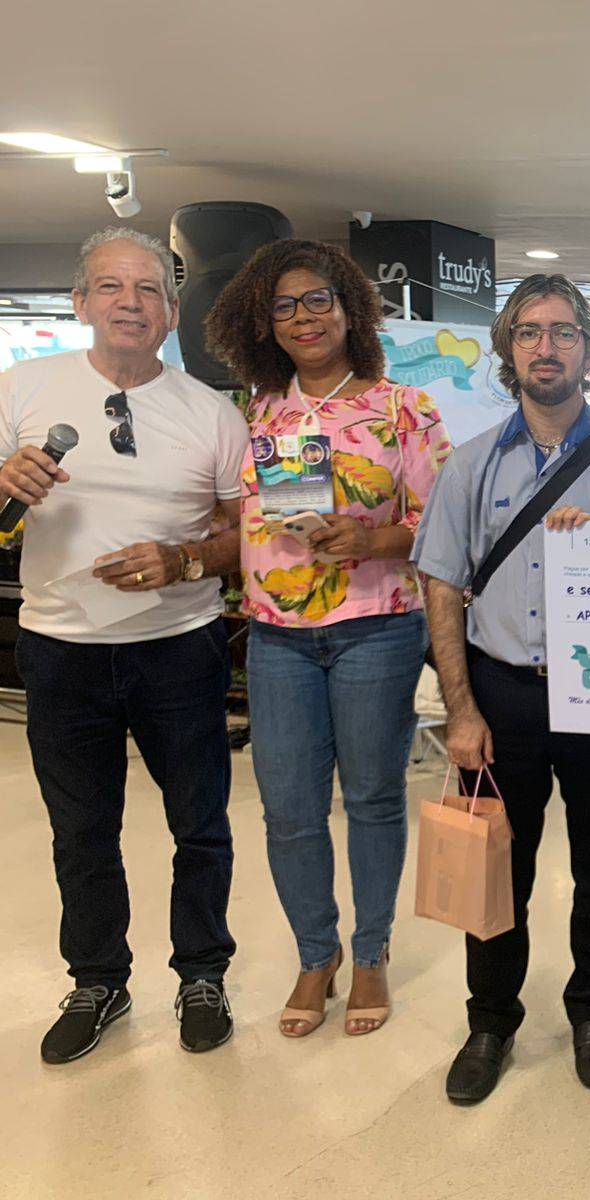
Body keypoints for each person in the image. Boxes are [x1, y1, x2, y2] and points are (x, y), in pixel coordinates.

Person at [413, 273, 590, 1102]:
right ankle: (490, 1021)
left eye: (564, 332)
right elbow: (441, 588)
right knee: (495, 869)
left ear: (589, 352)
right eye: (529, 332)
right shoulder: (469, 465)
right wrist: (460, 710)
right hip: (502, 696)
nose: (546, 347)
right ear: (508, 350)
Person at [0, 228, 249, 1062]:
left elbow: (247, 532)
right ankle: (98, 980)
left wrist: (185, 560)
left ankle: (202, 972)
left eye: (149, 290)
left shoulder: (212, 413)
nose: (131, 303)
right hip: (60, 650)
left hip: (178, 647)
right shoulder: (21, 388)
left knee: (200, 825)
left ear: (172, 313)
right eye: (111, 286)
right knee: (81, 830)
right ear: (81, 302)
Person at [205, 239, 451, 1039]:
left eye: (318, 300)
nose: (303, 317)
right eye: (283, 306)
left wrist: (373, 540)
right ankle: (319, 954)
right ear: (262, 322)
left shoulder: (402, 407)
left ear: (350, 309)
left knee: (373, 799)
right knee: (288, 812)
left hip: (375, 628)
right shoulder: (255, 412)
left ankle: (371, 950)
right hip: (277, 638)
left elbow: (444, 526)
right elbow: (231, 514)